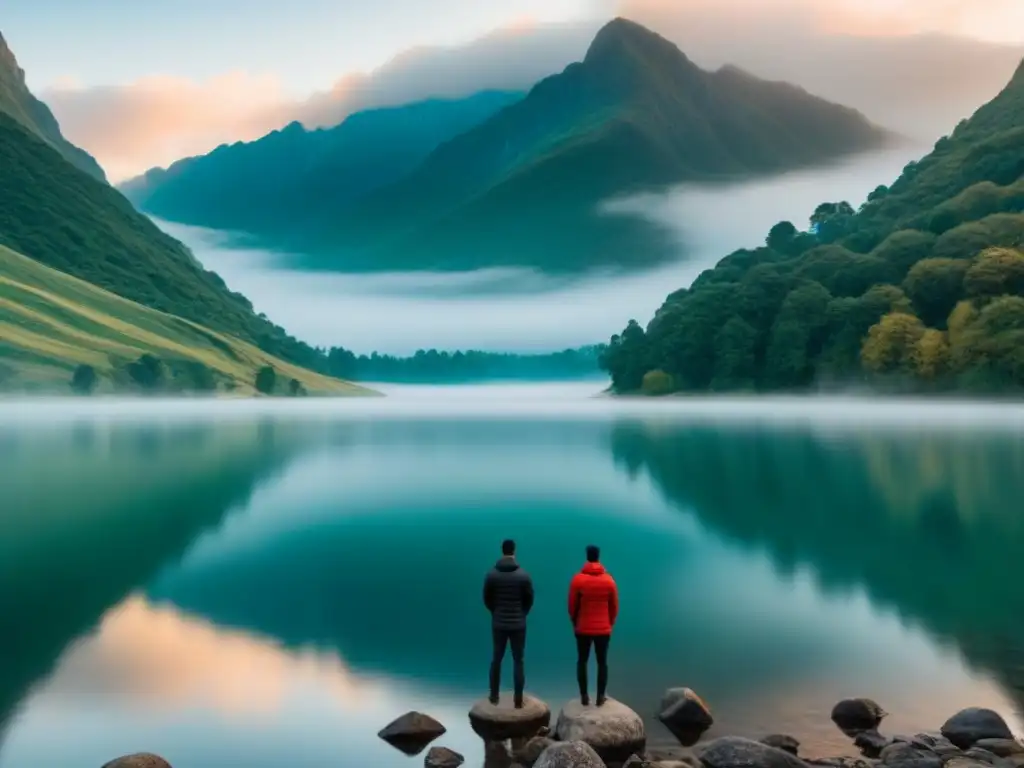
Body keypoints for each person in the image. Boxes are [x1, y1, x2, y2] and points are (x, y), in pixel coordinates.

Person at [483, 538, 534, 707]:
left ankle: (494, 696)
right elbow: (529, 599)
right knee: (518, 660)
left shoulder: (492, 575)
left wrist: (495, 612)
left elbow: (487, 599)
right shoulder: (523, 575)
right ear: (514, 551)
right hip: (518, 624)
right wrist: (522, 614)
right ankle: (518, 700)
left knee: (496, 659)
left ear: (502, 551)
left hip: (498, 623)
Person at [567, 544, 618, 706]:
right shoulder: (609, 581)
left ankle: (584, 696)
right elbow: (614, 607)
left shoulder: (578, 580)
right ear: (599, 557)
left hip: (583, 628)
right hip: (603, 629)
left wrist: (575, 622)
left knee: (582, 661)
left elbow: (571, 606)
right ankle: (600, 697)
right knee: (602, 662)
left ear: (587, 557)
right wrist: (609, 623)